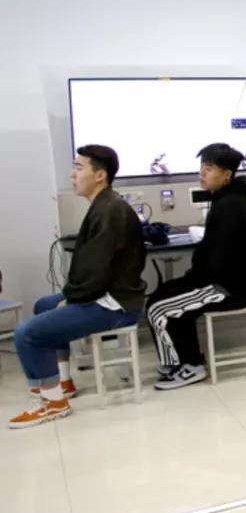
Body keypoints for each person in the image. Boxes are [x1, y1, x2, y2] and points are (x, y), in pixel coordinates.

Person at [9, 145, 147, 428]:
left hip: (115, 305)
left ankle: (53, 403)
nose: (72, 175)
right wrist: (70, 297)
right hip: (106, 294)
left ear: (100, 175)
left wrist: (70, 299)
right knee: (43, 306)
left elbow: (95, 273)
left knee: (26, 334)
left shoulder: (110, 211)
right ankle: (63, 382)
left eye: (78, 168)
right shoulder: (104, 205)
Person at [148, 143, 246, 390]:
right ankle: (177, 361)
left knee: (160, 307)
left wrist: (193, 278)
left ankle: (191, 366)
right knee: (162, 293)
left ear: (227, 175)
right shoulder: (227, 199)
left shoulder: (230, 204)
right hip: (223, 281)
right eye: (202, 167)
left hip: (231, 288)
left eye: (209, 168)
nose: (202, 173)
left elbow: (219, 259)